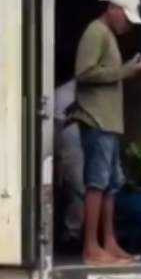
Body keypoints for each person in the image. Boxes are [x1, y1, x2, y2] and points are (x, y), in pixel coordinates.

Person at [70, 0, 141, 266]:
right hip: (97, 120)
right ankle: (92, 248)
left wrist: (124, 70)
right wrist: (124, 72)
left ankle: (109, 243)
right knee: (97, 183)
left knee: (111, 185)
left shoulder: (109, 35)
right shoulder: (96, 31)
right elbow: (84, 72)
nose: (127, 24)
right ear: (113, 9)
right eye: (126, 17)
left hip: (110, 123)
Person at [54, 79, 86, 254]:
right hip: (70, 148)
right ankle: (71, 235)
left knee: (82, 191)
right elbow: (57, 127)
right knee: (78, 189)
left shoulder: (93, 91)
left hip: (86, 144)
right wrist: (56, 156)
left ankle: (76, 234)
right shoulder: (63, 93)